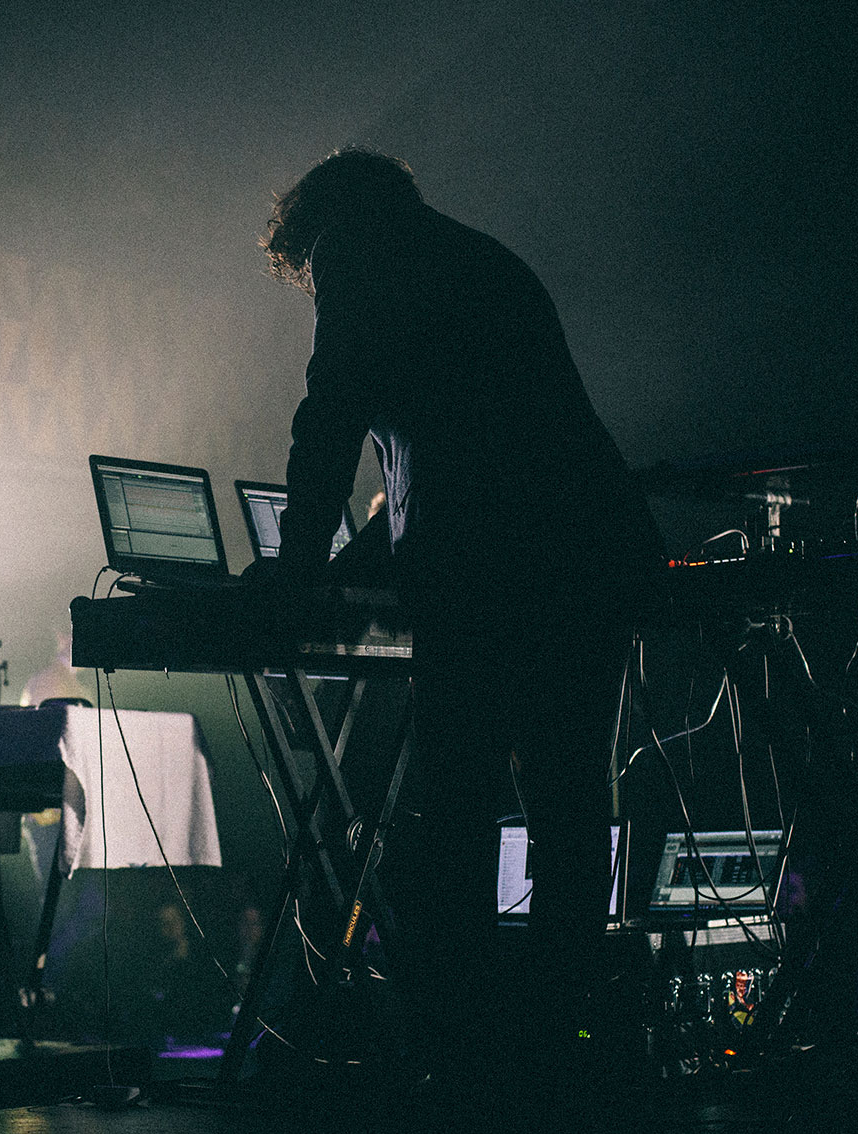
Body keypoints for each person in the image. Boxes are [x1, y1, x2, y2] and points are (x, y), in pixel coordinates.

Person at [258, 148, 664, 1073]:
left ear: (324, 229)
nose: (317, 285)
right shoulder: (478, 257)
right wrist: (347, 554)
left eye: (308, 269)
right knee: (565, 798)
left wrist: (291, 571)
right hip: (587, 550)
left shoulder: (357, 250)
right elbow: (442, 443)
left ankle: (459, 1052)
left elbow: (331, 419)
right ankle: (555, 1043)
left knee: (457, 803)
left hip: (498, 567)